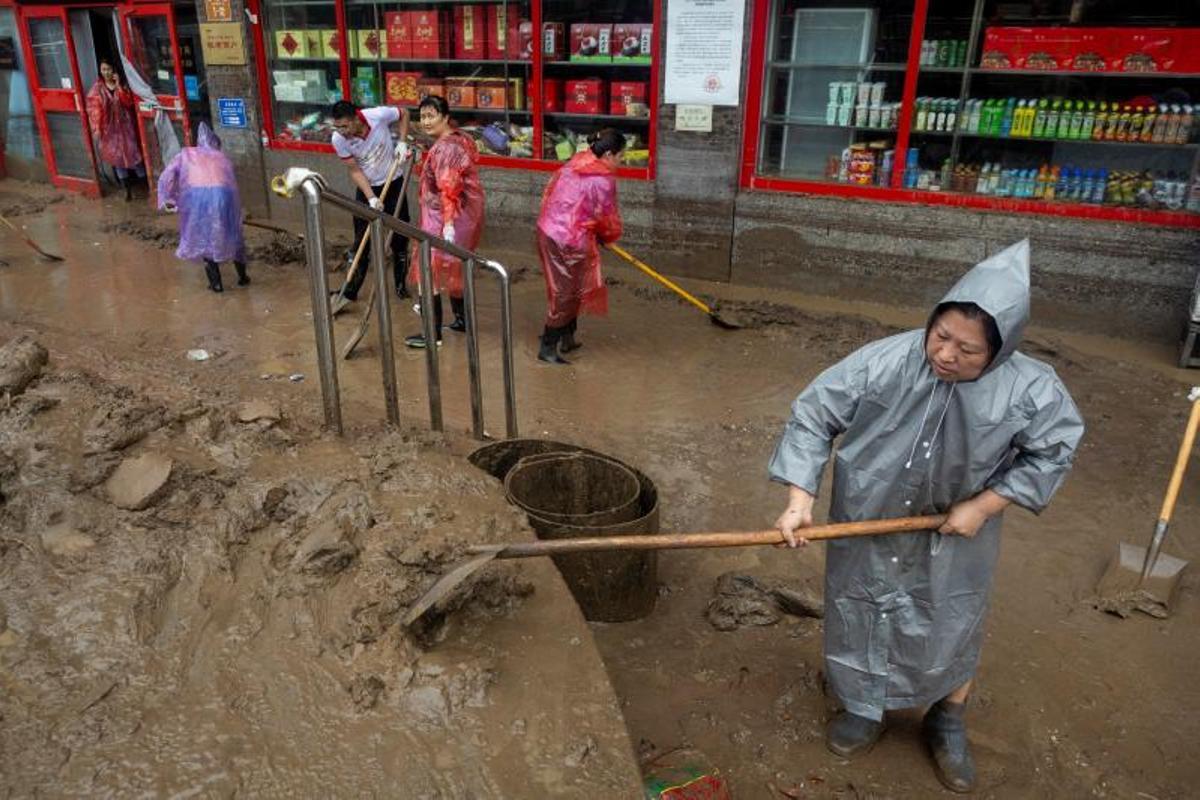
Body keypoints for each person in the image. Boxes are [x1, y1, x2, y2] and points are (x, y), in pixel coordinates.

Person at [768, 240, 1083, 793]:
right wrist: (800, 499)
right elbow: (814, 414)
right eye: (940, 336)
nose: (946, 355)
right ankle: (865, 708)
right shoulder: (884, 361)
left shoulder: (1031, 389)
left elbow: (1055, 449)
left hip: (957, 533)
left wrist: (985, 505)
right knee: (859, 603)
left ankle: (947, 717)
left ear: (1001, 350)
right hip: (868, 515)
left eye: (968, 350)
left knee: (950, 615)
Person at [534, 128, 624, 365]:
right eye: (620, 156)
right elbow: (606, 217)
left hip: (550, 231)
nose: (621, 161)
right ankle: (548, 346)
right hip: (567, 240)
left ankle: (567, 337)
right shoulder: (603, 180)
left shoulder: (575, 162)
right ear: (608, 155)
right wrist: (608, 235)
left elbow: (551, 194)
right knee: (565, 292)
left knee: (571, 289)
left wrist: (599, 234)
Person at [404, 94, 485, 349]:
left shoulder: (446, 148)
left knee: (428, 273)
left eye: (432, 116)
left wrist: (448, 223)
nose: (426, 121)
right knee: (456, 269)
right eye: (423, 116)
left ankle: (432, 334)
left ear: (445, 117)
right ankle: (462, 321)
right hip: (464, 217)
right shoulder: (458, 139)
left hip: (445, 218)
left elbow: (448, 187)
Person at [329, 99, 412, 311]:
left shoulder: (377, 115)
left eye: (345, 126)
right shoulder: (339, 139)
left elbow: (403, 112)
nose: (342, 131)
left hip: (394, 181)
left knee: (400, 236)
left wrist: (402, 142)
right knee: (361, 241)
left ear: (357, 118)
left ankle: (401, 286)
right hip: (368, 188)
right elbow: (355, 170)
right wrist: (371, 198)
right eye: (337, 127)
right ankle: (350, 291)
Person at [156, 123, 247, 293]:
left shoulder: (186, 154)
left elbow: (167, 176)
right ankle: (243, 277)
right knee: (233, 234)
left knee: (205, 238)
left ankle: (216, 285)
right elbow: (232, 184)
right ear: (215, 143)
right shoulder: (222, 157)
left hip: (198, 198)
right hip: (224, 196)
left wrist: (169, 198)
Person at [86, 59, 145, 201]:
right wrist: (97, 129)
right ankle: (127, 190)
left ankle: (145, 185)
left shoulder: (122, 85)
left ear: (114, 70)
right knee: (117, 159)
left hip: (126, 127)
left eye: (108, 69)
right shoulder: (97, 89)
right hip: (109, 130)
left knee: (134, 155)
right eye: (103, 69)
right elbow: (93, 110)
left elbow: (129, 102)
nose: (106, 72)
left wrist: (118, 85)